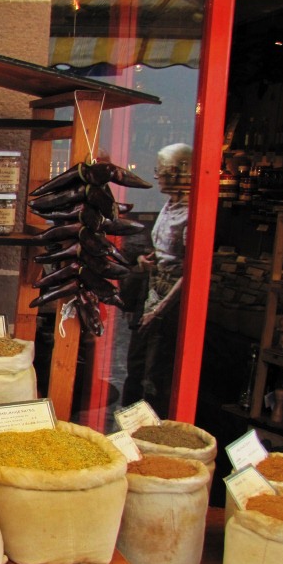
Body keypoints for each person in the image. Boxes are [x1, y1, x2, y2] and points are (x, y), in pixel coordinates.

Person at [121, 142, 192, 417]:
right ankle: (128, 420)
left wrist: (160, 310)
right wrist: (144, 259)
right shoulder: (170, 205)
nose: (157, 176)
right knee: (137, 364)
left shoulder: (191, 213)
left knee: (155, 370)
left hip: (168, 301)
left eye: (161, 170)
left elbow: (189, 270)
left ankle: (150, 425)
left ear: (177, 171)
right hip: (152, 291)